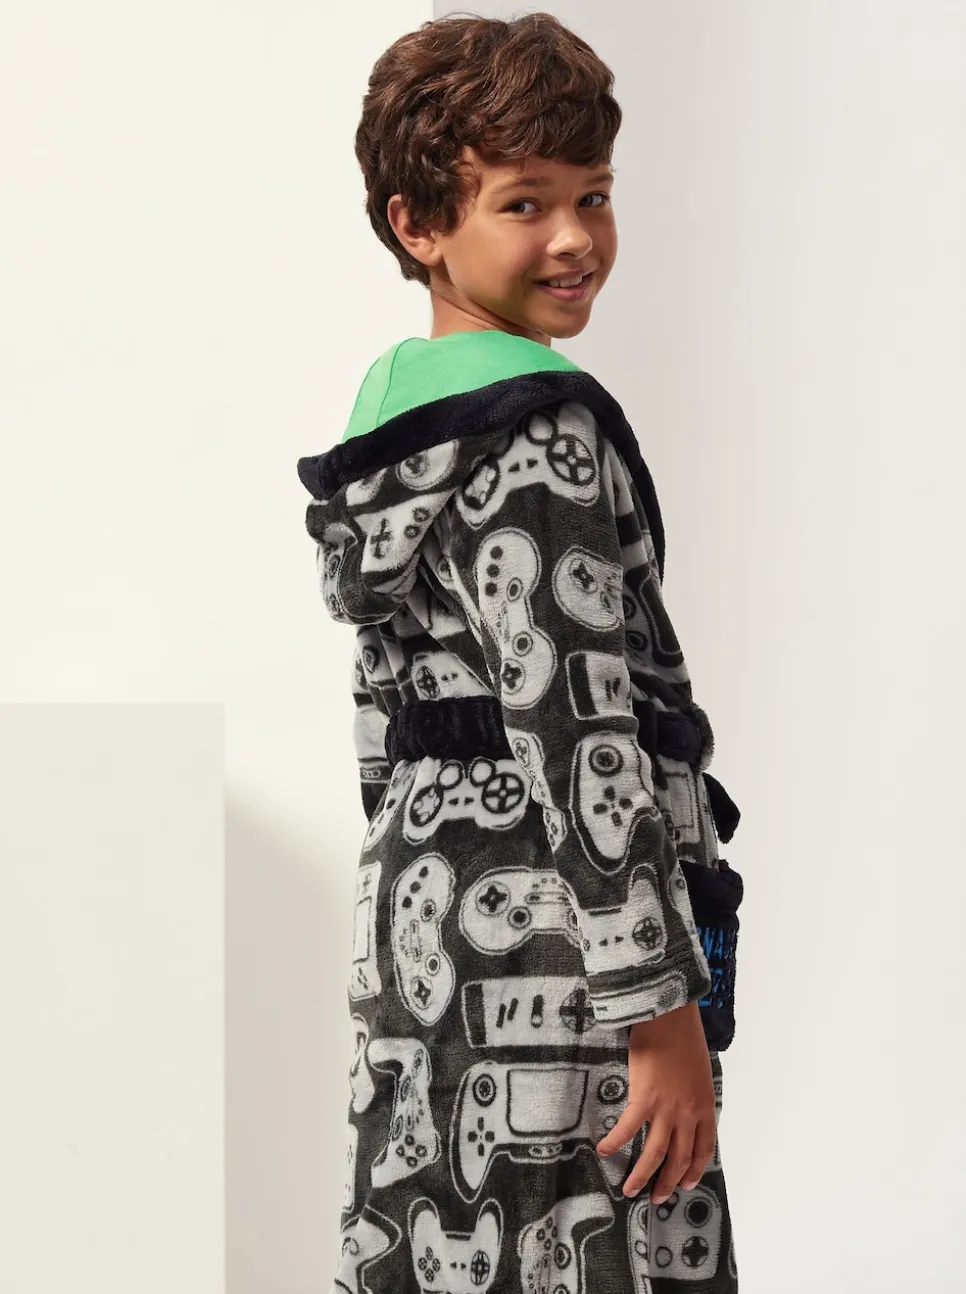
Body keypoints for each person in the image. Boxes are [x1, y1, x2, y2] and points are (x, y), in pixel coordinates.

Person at [297, 13, 744, 1293]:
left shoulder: (390, 426)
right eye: (523, 202)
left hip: (422, 911)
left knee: (441, 1228)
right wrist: (660, 1015)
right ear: (417, 224)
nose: (573, 237)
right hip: (569, 935)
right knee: (594, 1235)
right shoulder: (538, 431)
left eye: (592, 195)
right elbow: (579, 724)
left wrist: (408, 887)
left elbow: (381, 721)